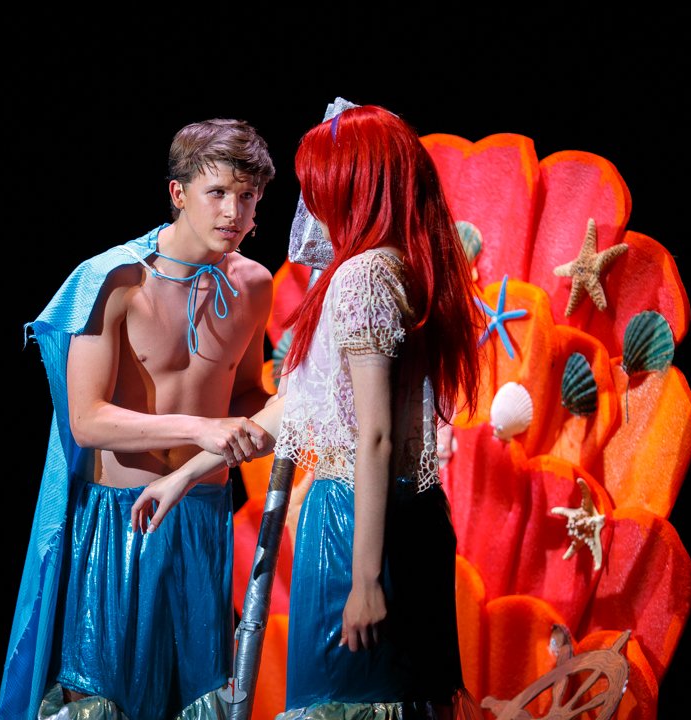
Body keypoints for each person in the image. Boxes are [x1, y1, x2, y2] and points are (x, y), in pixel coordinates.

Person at [132, 105, 485, 719]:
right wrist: (184, 475)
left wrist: (365, 579)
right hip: (410, 517)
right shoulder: (407, 264)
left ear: (354, 184)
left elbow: (375, 436)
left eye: (320, 181)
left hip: (356, 525)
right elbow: (299, 408)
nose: (311, 201)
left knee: (351, 703)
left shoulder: (363, 276)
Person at [0, 118, 277, 720]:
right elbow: (87, 420)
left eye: (248, 195)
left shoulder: (254, 285)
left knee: (197, 703)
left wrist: (303, 405)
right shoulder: (115, 280)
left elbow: (248, 395)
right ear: (179, 193)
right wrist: (201, 427)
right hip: (120, 519)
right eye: (217, 192)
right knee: (102, 703)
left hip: (203, 516)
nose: (233, 211)